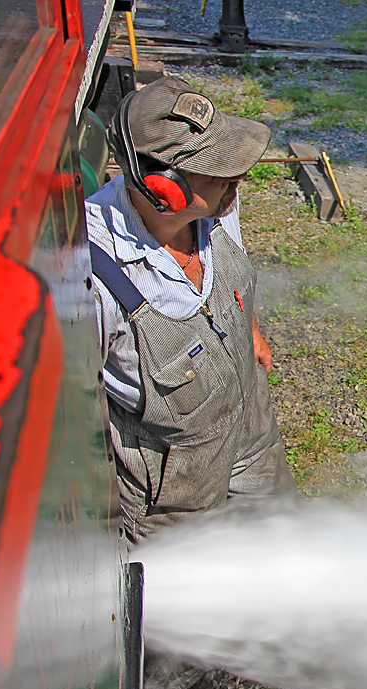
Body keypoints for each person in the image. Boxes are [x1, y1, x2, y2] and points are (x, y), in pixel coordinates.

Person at [87, 76, 296, 543]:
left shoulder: (217, 204)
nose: (239, 178)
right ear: (166, 188)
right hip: (176, 497)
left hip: (252, 433)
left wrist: (250, 330)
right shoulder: (90, 278)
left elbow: (231, 270)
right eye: (220, 169)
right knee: (195, 612)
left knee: (285, 549)